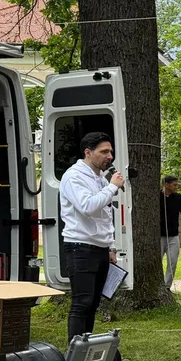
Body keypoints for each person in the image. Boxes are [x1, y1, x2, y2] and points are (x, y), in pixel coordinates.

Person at [58, 131, 124, 345]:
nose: (110, 156)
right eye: (104, 151)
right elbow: (87, 206)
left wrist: (111, 246)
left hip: (100, 248)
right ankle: (74, 350)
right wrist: (113, 186)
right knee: (82, 302)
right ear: (88, 152)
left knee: (94, 303)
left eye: (111, 152)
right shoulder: (74, 176)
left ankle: (85, 348)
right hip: (80, 247)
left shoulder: (100, 178)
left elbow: (105, 215)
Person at [159, 175, 181, 288]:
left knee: (172, 262)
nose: (177, 187)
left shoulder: (178, 198)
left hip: (173, 236)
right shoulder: (156, 197)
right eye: (174, 185)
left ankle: (166, 287)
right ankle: (157, 285)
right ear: (166, 184)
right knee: (156, 262)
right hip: (158, 236)